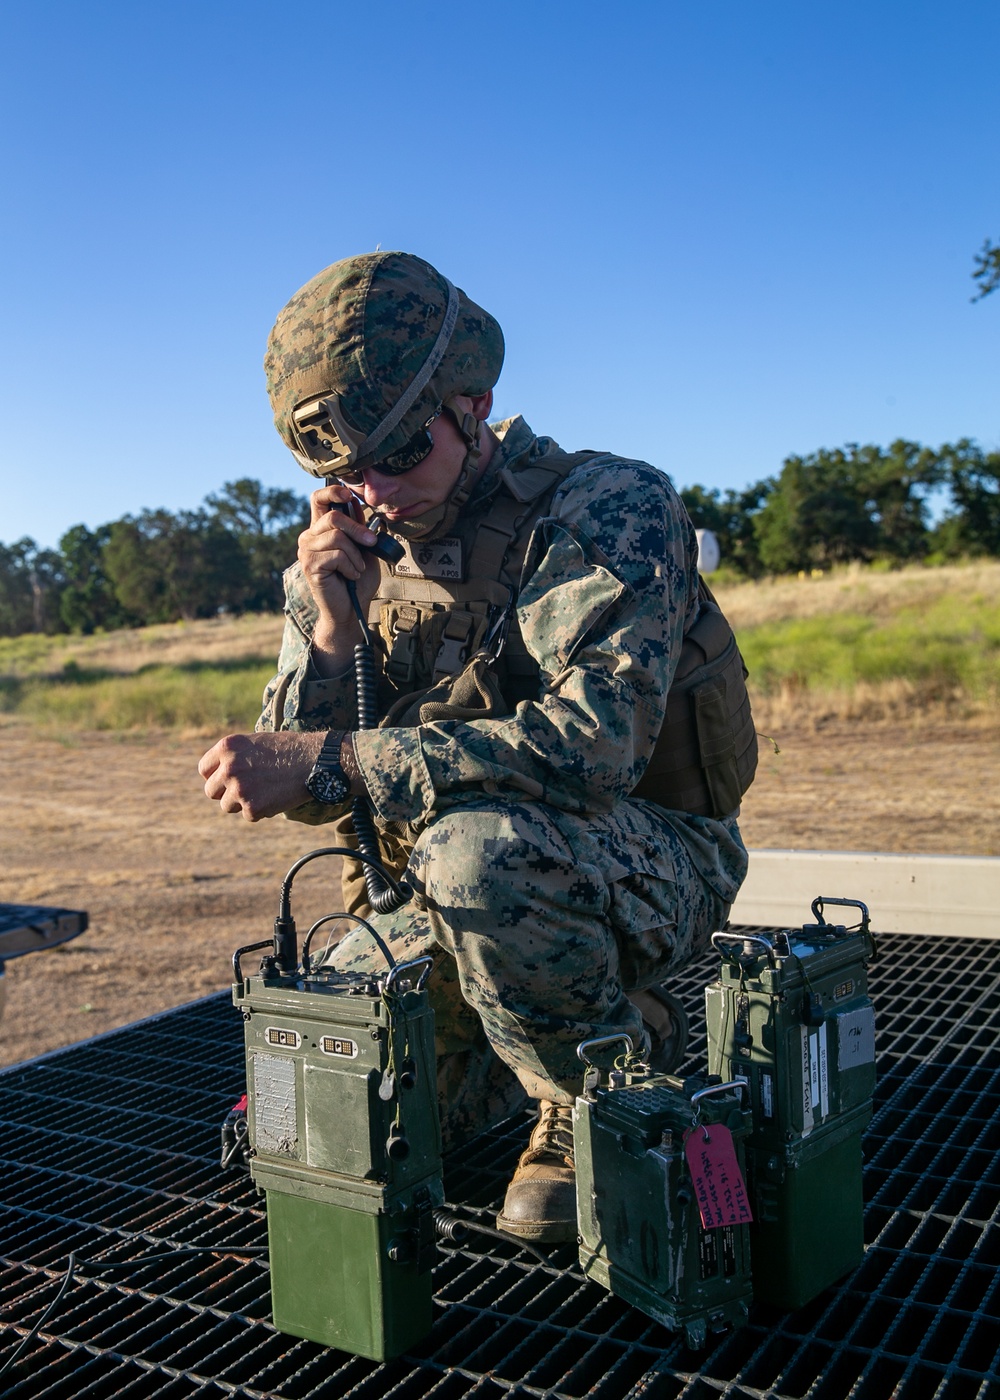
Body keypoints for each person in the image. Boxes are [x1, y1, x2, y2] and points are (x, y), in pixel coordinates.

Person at [199, 251, 757, 1242]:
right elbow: (302, 786)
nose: (376, 489)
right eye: (344, 470)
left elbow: (596, 748)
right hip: (439, 893)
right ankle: (595, 1028)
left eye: (400, 450)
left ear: (473, 403)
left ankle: (591, 1090)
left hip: (647, 859)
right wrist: (332, 631)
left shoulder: (608, 509)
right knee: (335, 1115)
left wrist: (340, 758)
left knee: (478, 852)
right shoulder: (350, 550)